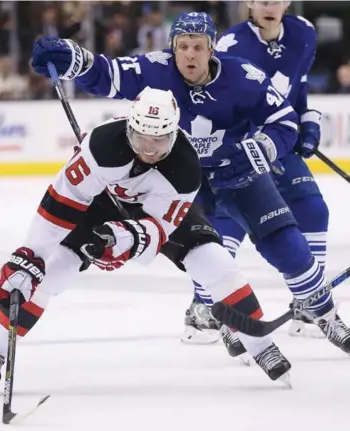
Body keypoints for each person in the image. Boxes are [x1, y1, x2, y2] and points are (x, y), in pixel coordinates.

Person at [30, 11, 350, 358]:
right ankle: (224, 319)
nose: (190, 55)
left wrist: (260, 148)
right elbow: (107, 74)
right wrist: (70, 58)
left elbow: (284, 120)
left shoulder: (243, 75)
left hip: (237, 174)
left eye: (198, 47)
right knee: (208, 254)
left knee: (286, 243)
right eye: (182, 46)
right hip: (182, 181)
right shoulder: (156, 68)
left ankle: (325, 312)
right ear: (173, 48)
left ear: (212, 48)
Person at [0, 88, 291, 396]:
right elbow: (59, 205)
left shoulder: (185, 167)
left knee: (214, 262)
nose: (149, 149)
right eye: (141, 138)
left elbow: (158, 229)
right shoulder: (101, 146)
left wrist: (125, 241)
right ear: (129, 127)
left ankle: (260, 344)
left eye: (159, 140)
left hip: (154, 214)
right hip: (99, 204)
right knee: (53, 269)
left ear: (174, 134)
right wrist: (30, 255)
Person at [192, 1, 327, 342]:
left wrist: (306, 122)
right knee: (228, 226)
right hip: (241, 146)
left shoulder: (304, 32)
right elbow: (217, 102)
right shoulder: (229, 45)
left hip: (278, 141)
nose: (269, 6)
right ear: (248, 3)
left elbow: (299, 87)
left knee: (313, 209)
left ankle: (308, 303)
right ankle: (202, 308)